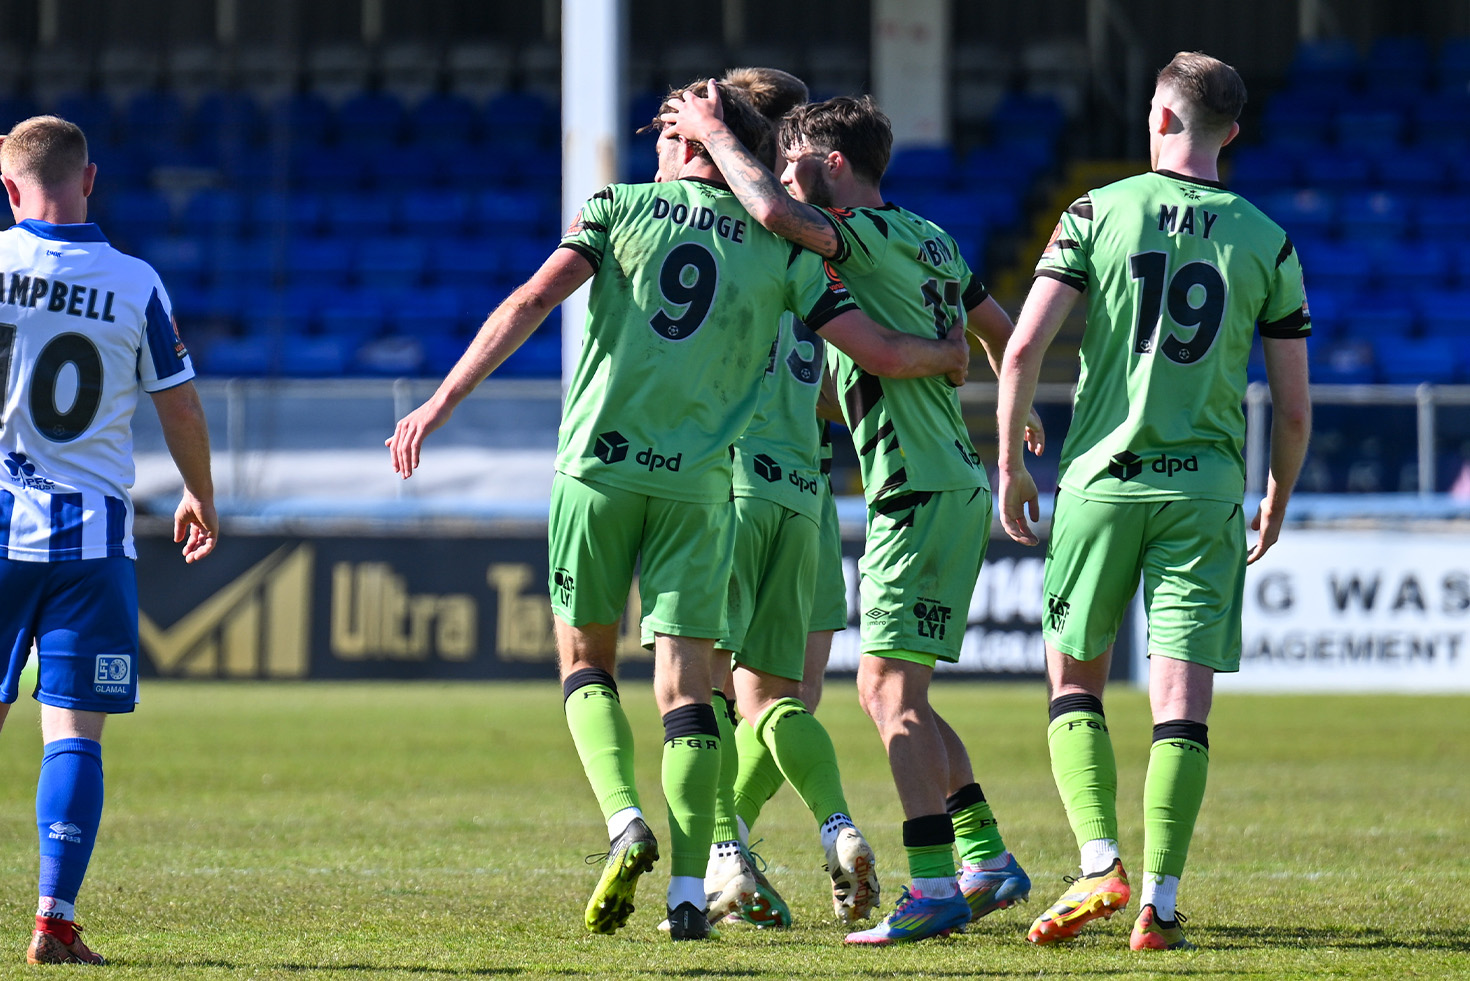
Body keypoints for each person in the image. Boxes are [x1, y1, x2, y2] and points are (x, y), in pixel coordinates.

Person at [387, 81, 969, 942]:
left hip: (602, 469)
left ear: (692, 141)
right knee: (705, 694)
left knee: (586, 662)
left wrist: (439, 402)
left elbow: (528, 303)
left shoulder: (618, 209)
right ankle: (695, 886)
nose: (655, 144)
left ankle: (626, 820)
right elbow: (880, 351)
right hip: (709, 488)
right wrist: (952, 356)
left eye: (665, 132)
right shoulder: (787, 253)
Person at [662, 87, 1042, 945]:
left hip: (915, 485)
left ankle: (935, 885)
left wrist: (712, 133)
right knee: (903, 690)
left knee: (883, 689)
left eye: (796, 162)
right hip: (950, 479)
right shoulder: (933, 237)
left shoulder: (858, 235)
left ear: (833, 165)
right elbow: (1002, 331)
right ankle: (984, 855)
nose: (785, 179)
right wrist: (1013, 410)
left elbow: (766, 209)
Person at [993, 52, 1312, 952]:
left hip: (1101, 481)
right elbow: (1292, 406)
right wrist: (1277, 494)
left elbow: (1020, 353)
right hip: (1205, 489)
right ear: (1232, 133)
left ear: (1161, 120)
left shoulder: (1097, 210)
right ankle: (1160, 905)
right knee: (1182, 705)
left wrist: (1013, 464)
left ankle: (1101, 859)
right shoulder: (1268, 240)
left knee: (1073, 681)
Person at [0, 115, 218, 965]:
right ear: (89, 181)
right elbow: (182, 405)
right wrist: (199, 494)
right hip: (90, 545)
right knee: (75, 735)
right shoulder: (135, 282)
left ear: (9, 188)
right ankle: (54, 918)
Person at [692, 66, 881, 933]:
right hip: (807, 490)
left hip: (730, 480)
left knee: (706, 697)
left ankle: (721, 858)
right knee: (785, 703)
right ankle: (812, 834)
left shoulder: (722, 228)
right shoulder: (824, 240)